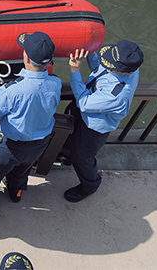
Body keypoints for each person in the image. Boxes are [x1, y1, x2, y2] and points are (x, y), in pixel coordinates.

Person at [0, 32, 62, 205]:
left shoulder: (13, 90)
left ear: (26, 58)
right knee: (22, 171)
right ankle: (16, 191)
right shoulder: (56, 83)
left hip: (10, 145)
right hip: (39, 143)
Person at [61, 40, 143, 202]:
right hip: (84, 112)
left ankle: (90, 185)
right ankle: (67, 154)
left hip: (93, 126)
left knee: (83, 157)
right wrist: (88, 50)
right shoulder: (127, 64)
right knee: (70, 138)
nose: (106, 65)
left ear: (124, 71)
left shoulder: (117, 93)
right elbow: (100, 67)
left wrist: (75, 71)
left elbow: (84, 104)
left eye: (110, 65)